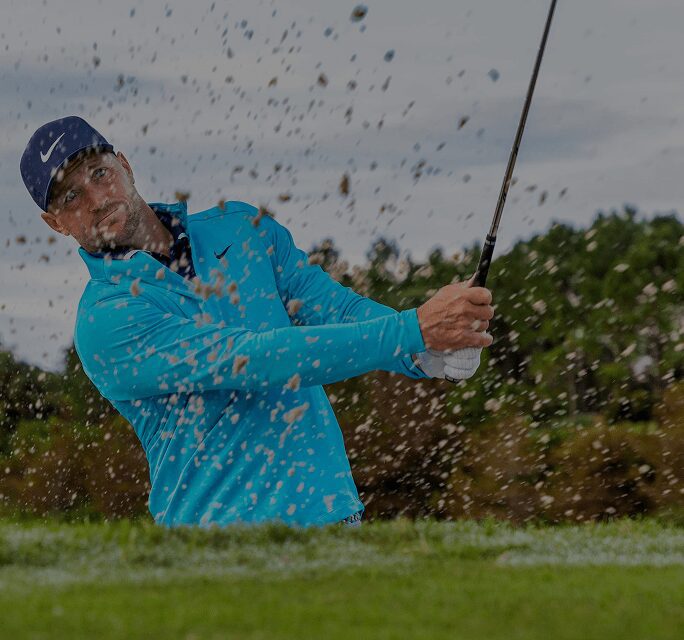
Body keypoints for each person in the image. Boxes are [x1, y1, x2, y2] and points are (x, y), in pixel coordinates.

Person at [20, 116, 494, 529]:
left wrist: (427, 352)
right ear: (54, 223)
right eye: (71, 196)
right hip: (219, 546)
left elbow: (332, 307)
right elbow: (254, 359)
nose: (96, 199)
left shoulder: (241, 226)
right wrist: (412, 329)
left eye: (100, 173)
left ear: (124, 165)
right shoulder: (105, 319)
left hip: (333, 517)